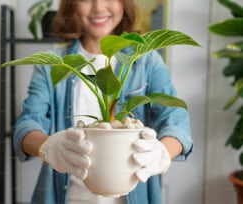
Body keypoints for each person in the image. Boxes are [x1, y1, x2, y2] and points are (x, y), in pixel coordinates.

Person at [14, 0, 194, 203]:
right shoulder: (54, 65)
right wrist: (49, 147)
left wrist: (162, 153)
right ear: (72, 5)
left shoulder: (145, 59)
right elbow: (26, 125)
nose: (98, 7)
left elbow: (176, 119)